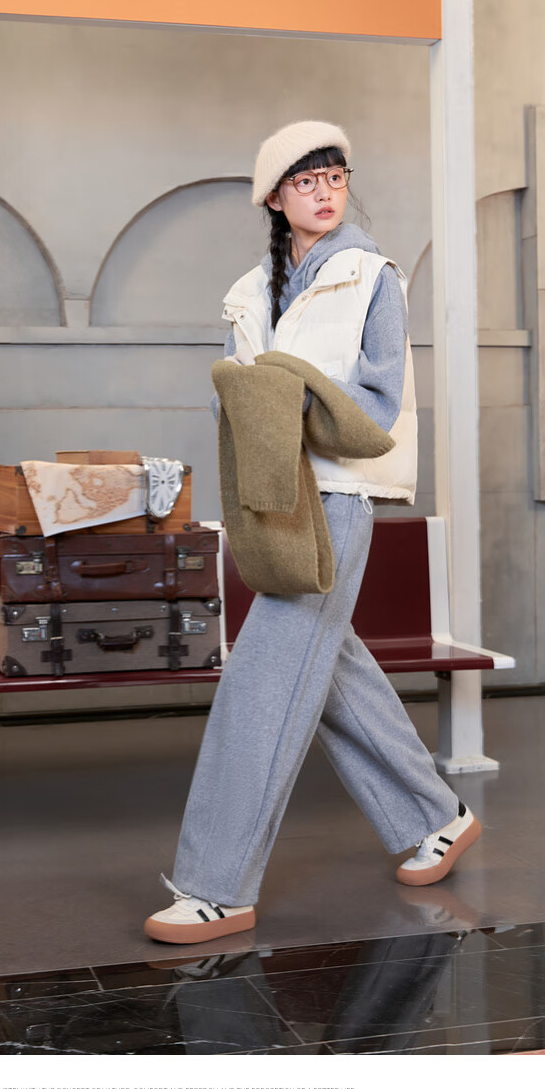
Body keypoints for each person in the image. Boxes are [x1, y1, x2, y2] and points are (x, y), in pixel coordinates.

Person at [144, 120, 481, 946]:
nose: (326, 192)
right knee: (324, 667)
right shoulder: (248, 291)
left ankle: (217, 885)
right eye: (306, 181)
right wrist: (257, 405)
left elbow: (379, 402)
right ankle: (435, 815)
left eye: (336, 177)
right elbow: (233, 399)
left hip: (337, 495)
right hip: (271, 496)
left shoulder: (372, 277)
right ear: (274, 197)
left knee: (264, 680)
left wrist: (285, 391)